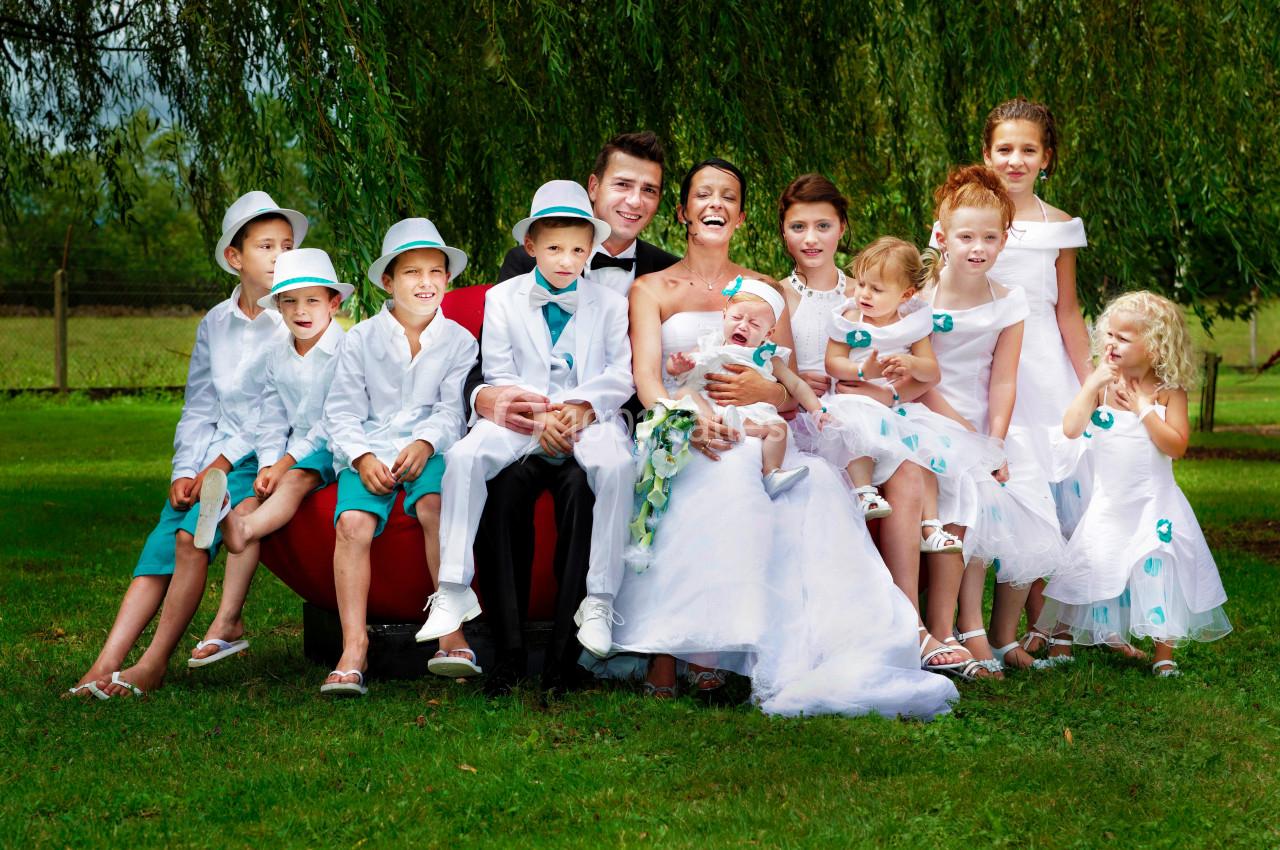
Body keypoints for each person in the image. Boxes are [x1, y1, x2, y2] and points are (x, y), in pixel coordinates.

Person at [605, 157, 957, 718]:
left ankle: (753, 649)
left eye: (728, 197)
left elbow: (787, 386)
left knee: (808, 482)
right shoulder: (651, 287)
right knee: (715, 475)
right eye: (704, 195)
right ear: (683, 211)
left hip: (757, 429)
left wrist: (760, 391)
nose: (716, 204)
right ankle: (672, 649)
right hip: (682, 423)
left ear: (741, 217)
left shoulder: (767, 292)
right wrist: (686, 419)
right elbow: (647, 378)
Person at [66, 191, 304, 699]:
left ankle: (153, 664)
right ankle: (104, 663)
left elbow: (271, 411)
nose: (280, 256)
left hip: (261, 457)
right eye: (266, 246)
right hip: (211, 457)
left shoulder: (294, 320)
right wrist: (184, 470)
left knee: (189, 540)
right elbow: (199, 406)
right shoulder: (214, 324)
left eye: (287, 246)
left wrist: (217, 465)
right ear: (235, 257)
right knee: (161, 544)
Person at [468, 132, 678, 693]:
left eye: (649, 190)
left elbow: (644, 372)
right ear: (594, 187)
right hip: (529, 424)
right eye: (623, 184)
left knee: (587, 493)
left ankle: (569, 659)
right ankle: (508, 653)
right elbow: (493, 354)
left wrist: (588, 410)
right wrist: (491, 401)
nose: (635, 200)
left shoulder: (663, 270)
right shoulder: (528, 257)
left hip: (607, 425)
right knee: (503, 490)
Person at [424, 180, 635, 663]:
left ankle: (599, 600)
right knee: (464, 456)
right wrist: (539, 415)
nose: (566, 260)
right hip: (523, 416)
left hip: (587, 418)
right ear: (530, 245)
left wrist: (581, 406)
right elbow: (498, 372)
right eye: (554, 248)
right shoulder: (502, 298)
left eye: (578, 250)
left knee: (619, 466)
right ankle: (453, 587)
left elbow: (620, 373)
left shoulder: (610, 303)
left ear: (591, 249)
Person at [774, 174, 966, 672]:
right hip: (808, 420)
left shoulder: (875, 289)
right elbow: (770, 366)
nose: (811, 238)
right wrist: (801, 385)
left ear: (843, 228)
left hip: (877, 412)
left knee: (908, 469)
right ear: (783, 232)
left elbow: (920, 375)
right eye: (798, 226)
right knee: (846, 467)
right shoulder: (776, 294)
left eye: (823, 225)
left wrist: (888, 391)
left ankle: (912, 624)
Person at [935, 98, 1092, 649]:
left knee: (1050, 494)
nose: (1016, 160)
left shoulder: (1060, 227)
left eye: (1029, 150)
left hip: (1044, 369)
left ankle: (1046, 623)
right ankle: (973, 623)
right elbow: (938, 290)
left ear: (1046, 157)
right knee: (993, 489)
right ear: (987, 153)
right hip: (981, 367)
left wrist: (1093, 382)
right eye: (1005, 149)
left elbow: (1067, 309)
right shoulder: (961, 218)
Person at [320, 218, 477, 696]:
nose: (426, 283)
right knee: (352, 524)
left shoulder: (460, 341)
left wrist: (426, 443)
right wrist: (362, 456)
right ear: (388, 282)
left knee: (435, 506)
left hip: (431, 447)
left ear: (447, 279)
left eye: (435, 272)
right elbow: (341, 411)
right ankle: (354, 646)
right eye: (412, 273)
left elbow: (452, 411)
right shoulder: (360, 339)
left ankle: (450, 632)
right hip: (371, 446)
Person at [921, 166, 1067, 678]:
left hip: (987, 422)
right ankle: (966, 628)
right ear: (942, 237)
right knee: (970, 492)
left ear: (1005, 240)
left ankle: (1000, 634)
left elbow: (1003, 380)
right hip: (929, 414)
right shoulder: (921, 295)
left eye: (989, 237)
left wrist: (996, 441)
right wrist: (969, 441)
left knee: (1025, 498)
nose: (977, 247)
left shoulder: (1008, 299)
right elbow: (921, 378)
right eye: (965, 237)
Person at [1036, 292, 1230, 675]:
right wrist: (1091, 385)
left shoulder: (1168, 391)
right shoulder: (1103, 387)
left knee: (1158, 566)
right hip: (1109, 501)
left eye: (1123, 338)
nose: (1111, 344)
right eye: (1109, 335)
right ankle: (1061, 640)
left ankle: (1163, 652)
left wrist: (1143, 409)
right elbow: (1071, 428)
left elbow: (1176, 446)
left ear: (1154, 346)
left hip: (1154, 501)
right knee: (1090, 561)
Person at [188, 248, 351, 667]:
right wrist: (265, 465)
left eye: (312, 300)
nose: (301, 311)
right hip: (292, 448)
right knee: (250, 498)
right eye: (289, 302)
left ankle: (239, 530)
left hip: (337, 444)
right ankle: (227, 621)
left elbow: (330, 424)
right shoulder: (278, 352)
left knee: (294, 480)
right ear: (277, 306)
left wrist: (283, 465)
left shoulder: (345, 351)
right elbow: (271, 415)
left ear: (334, 303)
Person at [814, 237, 1000, 557]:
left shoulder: (911, 324)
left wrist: (912, 364)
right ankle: (864, 491)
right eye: (861, 284)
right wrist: (862, 370)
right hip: (855, 398)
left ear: (905, 295)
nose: (864, 294)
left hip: (897, 407)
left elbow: (931, 371)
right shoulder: (849, 318)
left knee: (924, 451)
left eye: (876, 289)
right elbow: (833, 363)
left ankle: (931, 526)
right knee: (855, 429)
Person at [664, 276, 826, 496]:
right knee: (683, 392)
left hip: (749, 414)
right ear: (724, 316)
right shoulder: (710, 343)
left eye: (755, 324)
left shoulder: (767, 356)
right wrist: (677, 366)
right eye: (737, 317)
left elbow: (796, 385)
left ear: (768, 333)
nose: (743, 326)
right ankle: (715, 423)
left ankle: (772, 472)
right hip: (710, 407)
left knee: (778, 429)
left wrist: (817, 410)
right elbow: (679, 368)